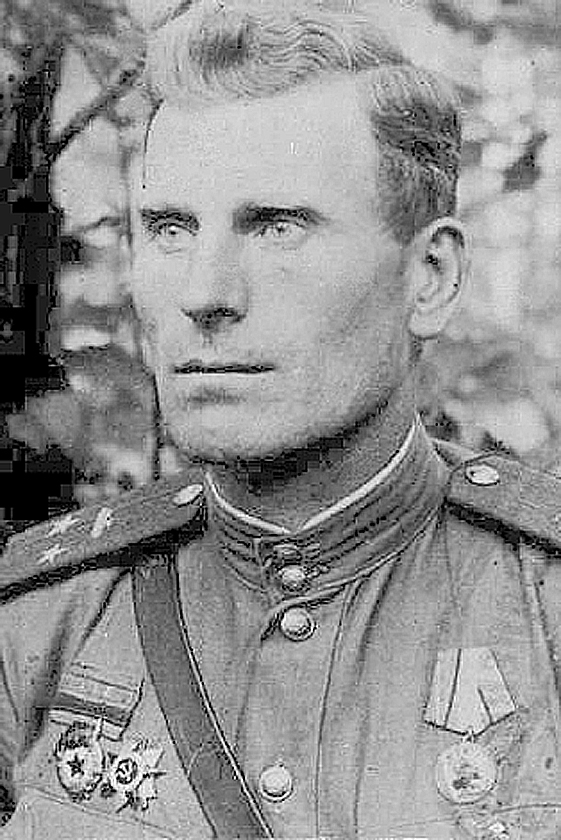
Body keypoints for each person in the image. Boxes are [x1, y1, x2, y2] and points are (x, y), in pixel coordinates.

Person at [1, 1, 561, 838]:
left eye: (277, 227)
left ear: (430, 278)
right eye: (170, 228)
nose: (204, 293)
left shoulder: (541, 603)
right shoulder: (43, 620)